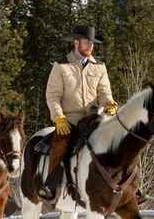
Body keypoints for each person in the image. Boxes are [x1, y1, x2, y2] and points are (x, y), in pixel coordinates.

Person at [41, 25, 117, 198]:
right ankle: (50, 185)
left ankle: (128, 187)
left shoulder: (99, 67)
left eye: (92, 43)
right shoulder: (61, 66)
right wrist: (59, 118)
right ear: (76, 42)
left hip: (94, 119)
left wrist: (110, 103)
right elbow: (52, 96)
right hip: (70, 120)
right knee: (61, 144)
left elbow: (105, 93)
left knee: (120, 139)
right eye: (87, 42)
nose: (91, 46)